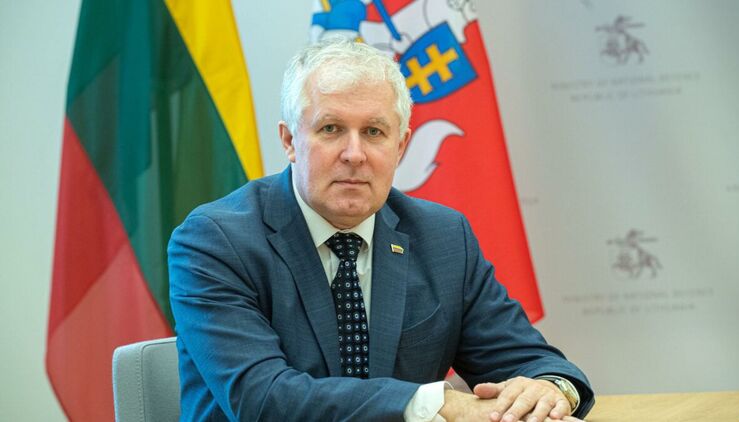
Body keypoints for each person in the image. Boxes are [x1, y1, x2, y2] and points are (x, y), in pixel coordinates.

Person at [168, 38, 594, 421]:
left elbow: (529, 361)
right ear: (289, 141)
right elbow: (262, 399)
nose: (354, 154)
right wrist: (435, 404)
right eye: (331, 129)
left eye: (374, 132)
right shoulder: (215, 242)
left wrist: (549, 389)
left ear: (401, 145)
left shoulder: (443, 237)